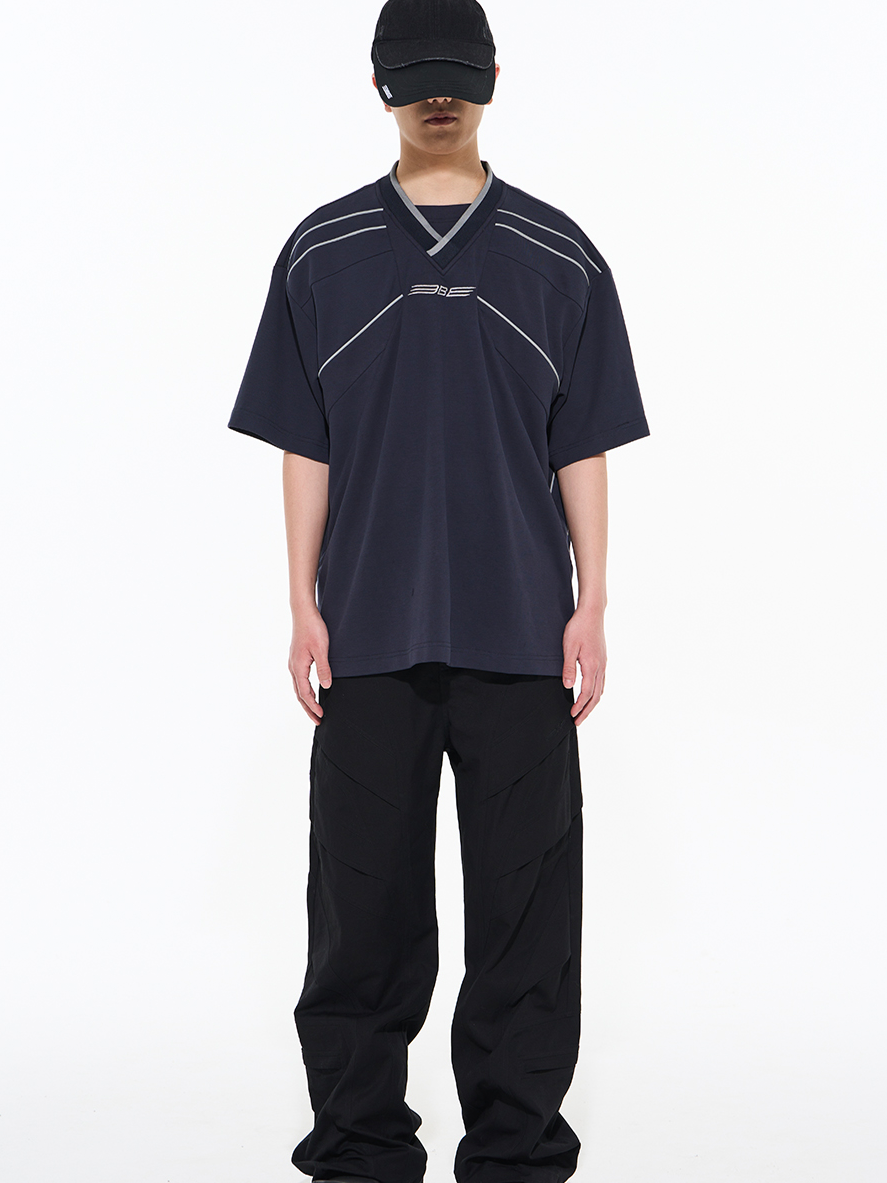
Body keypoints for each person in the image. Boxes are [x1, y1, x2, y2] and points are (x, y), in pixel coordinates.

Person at [228, 1, 650, 1180]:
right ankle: (358, 1152)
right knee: (360, 921)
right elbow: (303, 442)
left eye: (456, 75)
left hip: (521, 633)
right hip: (366, 635)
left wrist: (592, 601)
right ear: (378, 85)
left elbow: (581, 442)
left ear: (493, 77)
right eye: (415, 77)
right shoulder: (321, 253)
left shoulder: (559, 255)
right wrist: (302, 601)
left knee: (525, 925)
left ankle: (515, 1157)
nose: (438, 97)